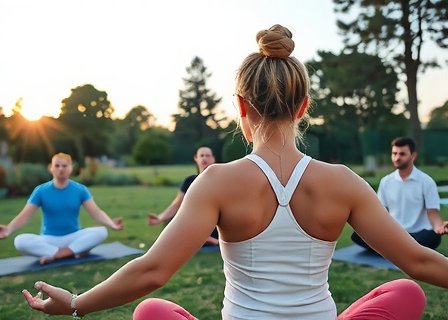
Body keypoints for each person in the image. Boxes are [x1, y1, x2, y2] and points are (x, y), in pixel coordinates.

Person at [22, 24, 448, 319]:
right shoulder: (343, 181)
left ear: (241, 106)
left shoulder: (216, 182)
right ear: (303, 107)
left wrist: (76, 304)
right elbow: (418, 261)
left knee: (151, 310)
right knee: (406, 291)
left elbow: (153, 271)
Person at [0, 152, 123, 264]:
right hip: (49, 239)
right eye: (57, 166)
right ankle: (70, 253)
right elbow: (25, 215)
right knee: (20, 241)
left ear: (71, 168)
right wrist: (9, 229)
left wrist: (111, 223)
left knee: (102, 231)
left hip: (73, 237)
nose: (61, 169)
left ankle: (56, 255)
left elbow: (95, 212)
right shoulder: (41, 191)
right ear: (51, 168)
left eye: (64, 166)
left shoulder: (80, 190)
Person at [352, 136, 448, 252]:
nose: (397, 158)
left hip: (418, 234)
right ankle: (404, 250)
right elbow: (381, 211)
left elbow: (433, 213)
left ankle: (392, 250)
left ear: (413, 156)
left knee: (432, 237)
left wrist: (439, 227)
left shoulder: (426, 182)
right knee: (357, 235)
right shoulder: (386, 181)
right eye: (394, 153)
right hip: (394, 234)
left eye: (402, 154)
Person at [147, 146, 219, 246]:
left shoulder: (219, 181)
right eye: (201, 155)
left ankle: (212, 240)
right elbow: (175, 205)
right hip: (194, 223)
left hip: (213, 223)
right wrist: (158, 219)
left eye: (207, 155)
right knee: (172, 220)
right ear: (196, 158)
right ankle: (206, 239)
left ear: (213, 158)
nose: (204, 158)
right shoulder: (189, 181)